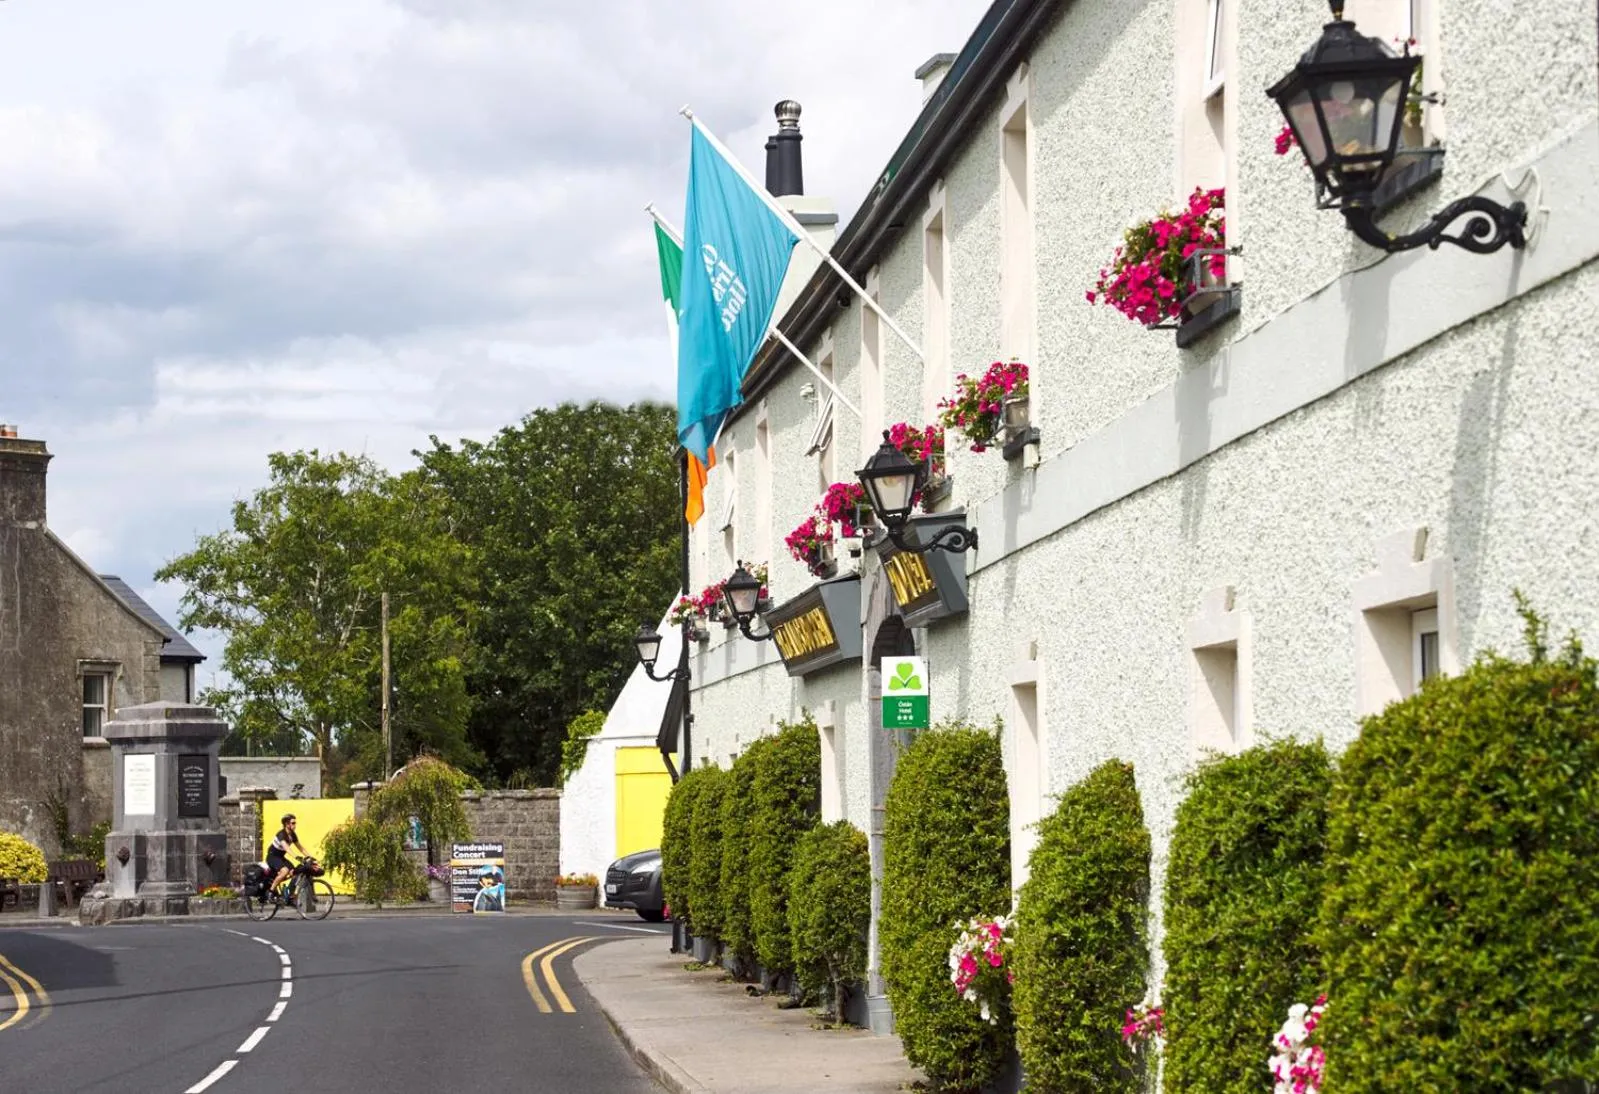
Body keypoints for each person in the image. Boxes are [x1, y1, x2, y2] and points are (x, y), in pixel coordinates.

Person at [266, 813, 307, 901]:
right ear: (286, 824)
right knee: (285, 871)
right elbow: (287, 848)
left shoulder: (292, 834)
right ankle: (270, 891)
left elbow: (301, 847)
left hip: (280, 857)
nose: (295, 825)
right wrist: (297, 857)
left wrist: (310, 857)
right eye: (293, 823)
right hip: (272, 856)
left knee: (294, 872)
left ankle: (288, 893)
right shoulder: (281, 834)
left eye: (295, 823)